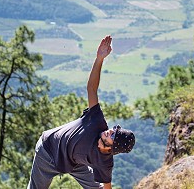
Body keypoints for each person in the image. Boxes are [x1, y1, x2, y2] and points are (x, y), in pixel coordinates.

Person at [27, 35, 135, 189]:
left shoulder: (105, 163)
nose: (110, 130)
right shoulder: (96, 121)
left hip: (73, 162)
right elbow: (92, 89)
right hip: (48, 151)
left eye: (113, 135)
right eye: (114, 130)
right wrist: (99, 59)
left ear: (112, 148)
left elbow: (107, 186)